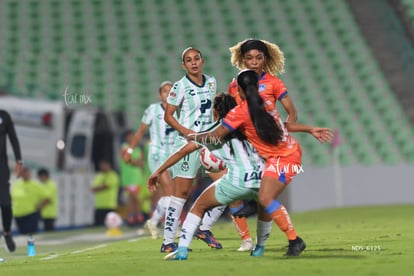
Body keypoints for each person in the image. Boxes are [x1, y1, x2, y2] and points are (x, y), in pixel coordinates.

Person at [187, 70, 333, 257]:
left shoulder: (240, 112)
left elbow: (216, 136)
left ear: (238, 90)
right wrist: (310, 129)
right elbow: (283, 125)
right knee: (262, 194)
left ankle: (295, 240)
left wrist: (191, 135)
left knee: (265, 198)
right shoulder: (265, 105)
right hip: (286, 155)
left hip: (285, 159)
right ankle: (259, 209)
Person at [147, 93, 273, 260]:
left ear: (215, 112)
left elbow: (183, 151)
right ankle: (260, 247)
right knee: (266, 209)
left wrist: (158, 171)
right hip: (260, 180)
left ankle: (182, 250)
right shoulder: (249, 126)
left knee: (198, 207)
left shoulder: (214, 132)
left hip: (236, 180)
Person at [226, 38, 299, 249]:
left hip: (270, 150)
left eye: (258, 57)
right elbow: (235, 116)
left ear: (265, 59)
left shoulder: (274, 83)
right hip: (246, 148)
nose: (254, 62)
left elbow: (291, 112)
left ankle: (265, 241)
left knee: (264, 198)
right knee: (234, 193)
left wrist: (283, 132)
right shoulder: (235, 85)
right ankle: (246, 240)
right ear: (242, 59)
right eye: (249, 58)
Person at [160, 47, 226, 253]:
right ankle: (168, 242)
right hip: (188, 145)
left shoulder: (212, 81)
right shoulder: (179, 87)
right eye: (189, 60)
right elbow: (168, 116)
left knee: (228, 185)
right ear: (184, 65)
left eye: (196, 58)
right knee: (181, 193)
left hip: (208, 142)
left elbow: (213, 110)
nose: (194, 63)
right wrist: (186, 131)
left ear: (202, 61)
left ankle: (204, 228)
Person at [123, 80, 175, 239]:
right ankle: (172, 228)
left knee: (172, 195)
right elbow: (140, 132)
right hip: (157, 155)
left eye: (171, 90)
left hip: (173, 155)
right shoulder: (153, 110)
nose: (168, 93)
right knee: (170, 192)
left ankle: (153, 222)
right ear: (160, 95)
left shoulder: (180, 110)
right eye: (165, 91)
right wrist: (130, 150)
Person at [0, 109, 23, 252]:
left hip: (1, 166)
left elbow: (13, 138)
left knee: (5, 203)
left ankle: (7, 232)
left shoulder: (4, 116)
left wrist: (18, 160)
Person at [11, 167, 50, 235]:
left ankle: (31, 246)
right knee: (23, 235)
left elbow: (47, 198)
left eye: (26, 172)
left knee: (31, 235)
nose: (25, 174)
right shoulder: (17, 184)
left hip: (31, 214)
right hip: (18, 215)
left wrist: (39, 207)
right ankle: (27, 246)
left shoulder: (35, 184)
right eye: (23, 172)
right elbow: (12, 198)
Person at [120, 129, 146, 226]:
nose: (132, 138)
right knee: (132, 198)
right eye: (131, 136)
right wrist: (137, 162)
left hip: (138, 177)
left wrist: (138, 163)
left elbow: (142, 161)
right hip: (128, 177)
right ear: (126, 138)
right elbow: (127, 159)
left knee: (137, 198)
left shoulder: (138, 149)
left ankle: (137, 217)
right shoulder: (124, 147)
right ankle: (133, 217)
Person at [91, 160, 120, 226]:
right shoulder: (99, 176)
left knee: (110, 226)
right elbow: (92, 189)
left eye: (104, 165)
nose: (103, 167)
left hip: (110, 206)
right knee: (98, 226)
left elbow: (106, 186)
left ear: (109, 165)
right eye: (101, 165)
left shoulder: (113, 175)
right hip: (99, 206)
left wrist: (99, 187)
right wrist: (101, 186)